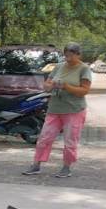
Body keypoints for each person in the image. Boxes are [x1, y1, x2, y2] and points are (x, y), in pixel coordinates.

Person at [23, 42, 92, 178]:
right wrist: (50, 86)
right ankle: (36, 165)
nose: (68, 58)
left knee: (70, 140)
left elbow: (84, 90)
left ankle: (67, 167)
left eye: (71, 56)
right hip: (55, 108)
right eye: (66, 55)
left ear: (78, 55)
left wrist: (66, 86)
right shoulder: (59, 67)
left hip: (74, 110)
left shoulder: (84, 69)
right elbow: (47, 84)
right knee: (44, 138)